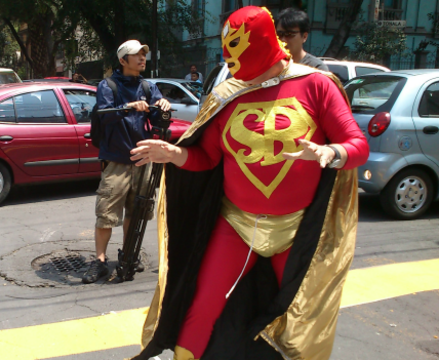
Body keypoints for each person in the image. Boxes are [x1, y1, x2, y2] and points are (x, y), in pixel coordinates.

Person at [128, 6, 368, 360]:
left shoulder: (316, 84)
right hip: (236, 224)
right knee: (201, 304)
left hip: (297, 229)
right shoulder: (227, 94)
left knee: (304, 316)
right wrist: (174, 154)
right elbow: (207, 157)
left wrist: (330, 152)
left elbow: (358, 145)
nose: (239, 74)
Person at [82, 40, 171, 284]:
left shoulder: (148, 86)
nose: (142, 58)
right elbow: (105, 115)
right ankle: (100, 261)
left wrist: (163, 106)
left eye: (144, 54)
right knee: (106, 214)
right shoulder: (107, 85)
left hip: (143, 158)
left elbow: (159, 121)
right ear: (123, 60)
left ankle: (128, 254)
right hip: (116, 160)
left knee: (137, 211)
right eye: (136, 55)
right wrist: (129, 107)